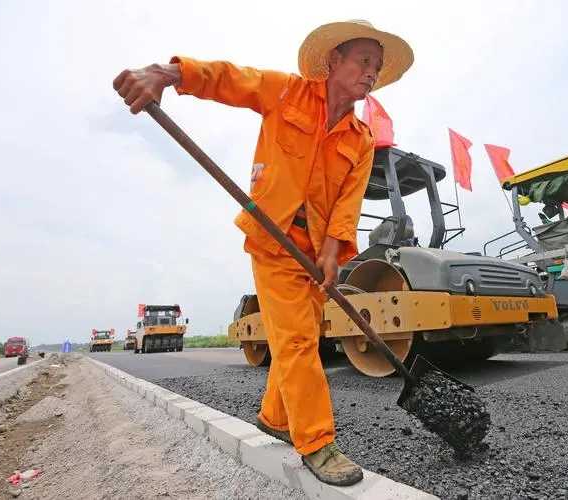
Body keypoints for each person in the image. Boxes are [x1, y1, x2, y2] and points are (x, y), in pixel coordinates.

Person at [113, 20, 413, 486]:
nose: (371, 73)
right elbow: (230, 79)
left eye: (376, 67)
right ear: (333, 61)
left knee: (302, 339)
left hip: (313, 254)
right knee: (295, 340)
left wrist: (333, 256)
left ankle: (274, 416)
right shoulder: (287, 93)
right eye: (363, 61)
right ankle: (315, 441)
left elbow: (346, 209)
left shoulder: (361, 139)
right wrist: (166, 74)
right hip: (274, 243)